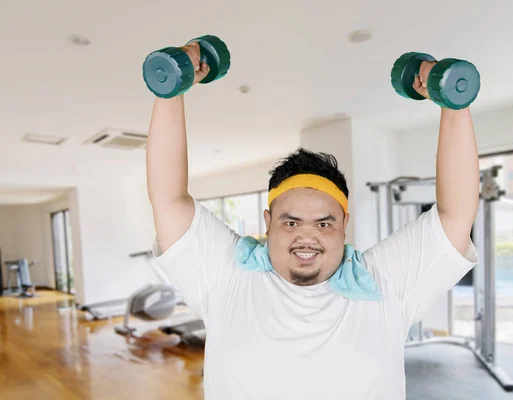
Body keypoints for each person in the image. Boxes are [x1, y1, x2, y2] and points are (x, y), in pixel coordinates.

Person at [146, 43, 480, 400]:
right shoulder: (226, 275)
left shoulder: (382, 283)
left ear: (344, 223)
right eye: (291, 223)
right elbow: (169, 200)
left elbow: (455, 216)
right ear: (268, 221)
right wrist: (171, 92)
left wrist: (454, 106)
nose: (307, 237)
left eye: (324, 224)